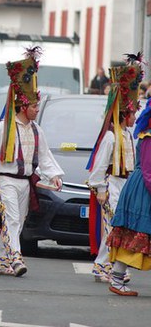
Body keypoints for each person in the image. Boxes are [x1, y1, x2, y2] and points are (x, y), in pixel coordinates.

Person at [0, 47, 64, 277]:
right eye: (35, 106)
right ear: (23, 106)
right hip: (6, 180)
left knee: (18, 220)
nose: (37, 110)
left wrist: (54, 175)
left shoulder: (36, 130)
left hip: (25, 183)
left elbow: (45, 156)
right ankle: (15, 258)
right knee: (12, 219)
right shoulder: (5, 128)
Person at [87, 55, 143, 282]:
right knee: (111, 228)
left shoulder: (130, 135)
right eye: (132, 113)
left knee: (117, 228)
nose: (134, 117)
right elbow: (100, 165)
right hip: (112, 184)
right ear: (124, 113)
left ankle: (102, 265)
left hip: (126, 185)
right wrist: (100, 189)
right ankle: (105, 266)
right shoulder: (111, 137)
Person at [107, 95, 151, 296]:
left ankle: (117, 277)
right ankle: (116, 278)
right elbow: (149, 171)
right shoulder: (148, 137)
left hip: (143, 188)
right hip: (143, 189)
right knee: (136, 235)